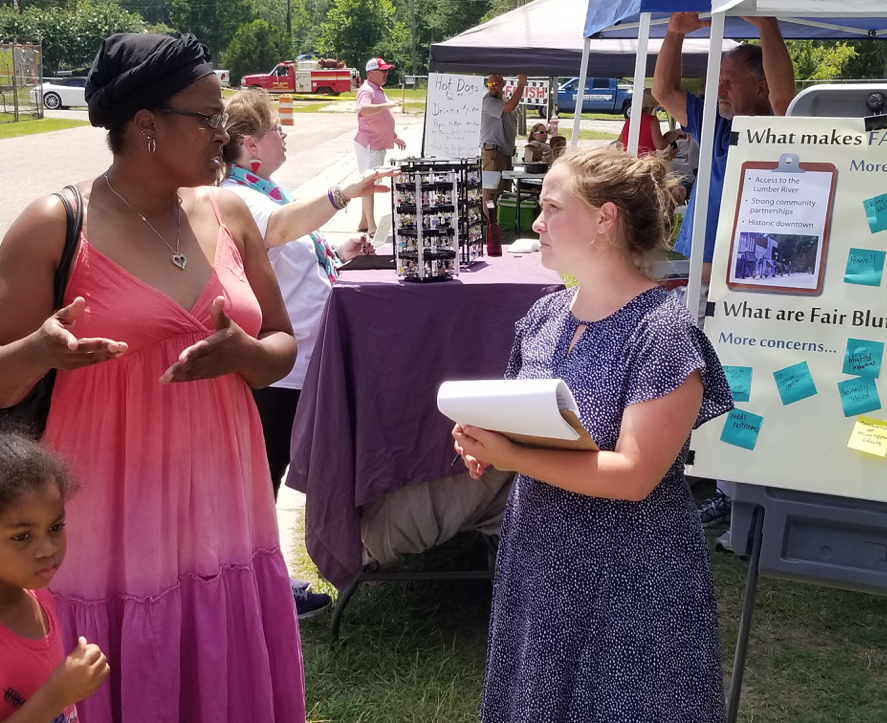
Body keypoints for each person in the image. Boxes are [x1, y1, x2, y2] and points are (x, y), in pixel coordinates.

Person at [0, 33, 304, 722]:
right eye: (207, 116)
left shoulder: (230, 213)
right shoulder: (55, 225)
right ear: (146, 126)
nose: (223, 133)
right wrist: (41, 350)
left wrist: (245, 356)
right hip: (108, 521)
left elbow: (282, 344)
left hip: (226, 505)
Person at [452, 146, 734, 722]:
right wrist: (483, 439)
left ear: (606, 219)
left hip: (631, 580)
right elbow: (521, 426)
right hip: (541, 564)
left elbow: (633, 476)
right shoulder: (545, 316)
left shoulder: (663, 334)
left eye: (552, 207)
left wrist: (512, 455)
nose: (535, 222)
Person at [219, 88, 396, 605]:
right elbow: (279, 229)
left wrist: (337, 251)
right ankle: (259, 591)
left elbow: (289, 255)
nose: (284, 135)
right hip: (280, 370)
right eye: (277, 129)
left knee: (272, 477)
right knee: (259, 483)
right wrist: (345, 194)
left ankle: (267, 582)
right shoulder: (245, 198)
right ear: (250, 145)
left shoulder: (267, 190)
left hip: (302, 362)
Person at [654, 12, 795, 536]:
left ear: (758, 84)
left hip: (739, 278)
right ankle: (687, 469)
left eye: (730, 81)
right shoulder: (713, 122)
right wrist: (673, 33)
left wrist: (766, 26)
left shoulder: (773, 131)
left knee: (734, 381)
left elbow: (785, 103)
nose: (719, 90)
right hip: (695, 273)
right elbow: (665, 89)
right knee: (684, 377)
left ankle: (725, 488)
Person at [0, 432, 109, 723]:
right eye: (22, 536)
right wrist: (56, 696)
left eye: (55, 527)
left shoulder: (39, 597)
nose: (48, 549)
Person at [355, 57, 406, 237]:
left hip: (376, 143)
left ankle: (364, 221)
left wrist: (393, 135)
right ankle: (371, 226)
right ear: (372, 73)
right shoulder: (366, 90)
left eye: (387, 70)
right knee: (369, 183)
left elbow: (380, 118)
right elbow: (364, 110)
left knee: (368, 182)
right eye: (383, 71)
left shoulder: (377, 89)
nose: (386, 74)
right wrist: (388, 105)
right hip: (370, 144)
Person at [481, 73, 527, 209]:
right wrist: (521, 84)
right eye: (490, 84)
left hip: (505, 151)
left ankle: (498, 220)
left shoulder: (504, 99)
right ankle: (489, 220)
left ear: (503, 84)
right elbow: (509, 108)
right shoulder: (487, 101)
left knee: (502, 188)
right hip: (493, 151)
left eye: (496, 84)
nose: (492, 87)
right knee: (490, 189)